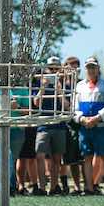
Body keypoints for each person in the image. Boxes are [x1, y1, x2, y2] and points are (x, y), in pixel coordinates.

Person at [73, 57, 104, 195]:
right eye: (88, 67)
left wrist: (97, 118)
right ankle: (89, 188)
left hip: (102, 127)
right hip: (85, 128)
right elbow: (75, 108)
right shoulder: (79, 86)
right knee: (87, 157)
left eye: (93, 67)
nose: (91, 70)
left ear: (98, 69)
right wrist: (82, 119)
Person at [33, 57, 67, 195]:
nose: (53, 71)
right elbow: (35, 103)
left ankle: (54, 187)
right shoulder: (39, 83)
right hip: (43, 125)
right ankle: (41, 187)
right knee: (39, 155)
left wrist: (59, 90)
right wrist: (43, 87)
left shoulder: (65, 84)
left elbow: (66, 106)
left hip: (59, 125)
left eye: (56, 68)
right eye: (50, 68)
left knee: (56, 159)